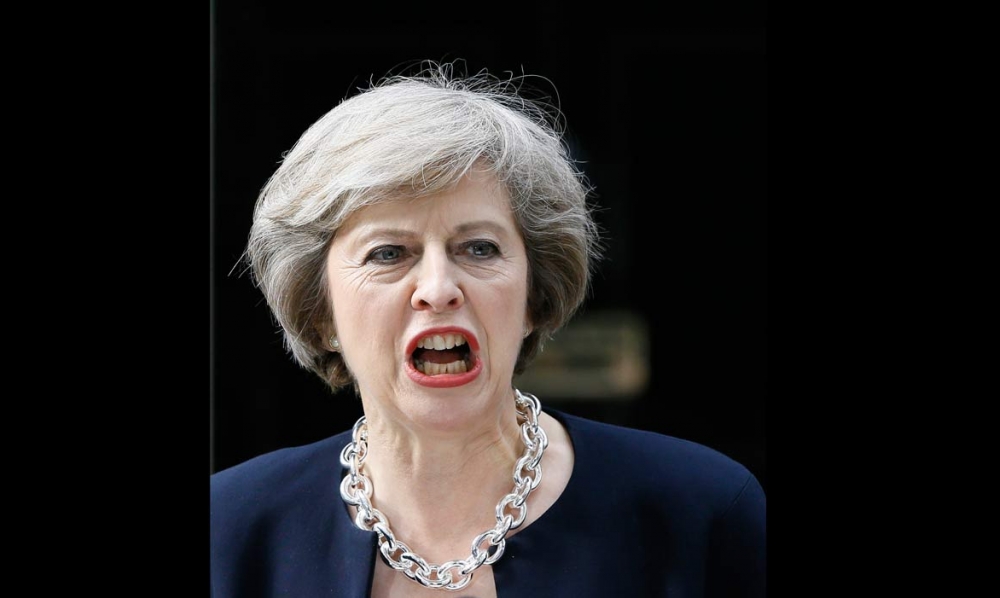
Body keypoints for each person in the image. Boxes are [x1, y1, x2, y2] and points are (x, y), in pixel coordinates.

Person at [210, 61, 766, 597]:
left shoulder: (703, 512)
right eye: (387, 253)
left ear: (533, 296)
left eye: (479, 247)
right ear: (321, 313)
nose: (437, 286)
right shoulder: (229, 528)